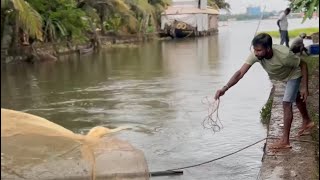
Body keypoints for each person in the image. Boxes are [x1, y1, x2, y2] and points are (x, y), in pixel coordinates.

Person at [214, 33, 314, 149]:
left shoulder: (284, 55)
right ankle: (307, 121)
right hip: (282, 77)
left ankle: (285, 141)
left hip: (293, 75)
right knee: (296, 97)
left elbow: (303, 65)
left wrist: (304, 87)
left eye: (259, 50)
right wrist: (224, 88)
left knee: (286, 103)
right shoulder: (256, 55)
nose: (256, 53)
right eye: (254, 50)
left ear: (268, 48)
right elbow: (240, 73)